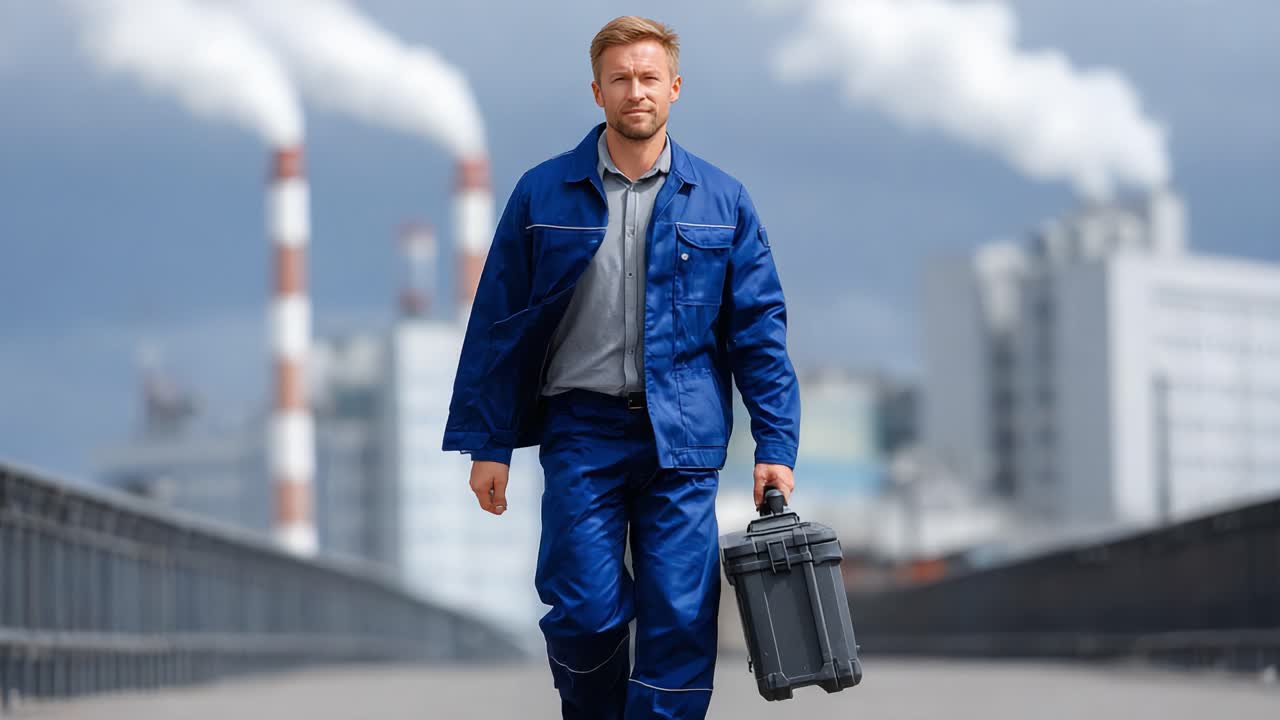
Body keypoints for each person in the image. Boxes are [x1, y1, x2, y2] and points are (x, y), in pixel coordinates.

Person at [443, 15, 800, 719]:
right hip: (581, 432)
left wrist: (775, 446)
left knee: (678, 616)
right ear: (598, 91)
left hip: (685, 439)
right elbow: (497, 326)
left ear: (674, 87)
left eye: (647, 78)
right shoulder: (542, 196)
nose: (635, 91)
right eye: (619, 80)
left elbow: (759, 332)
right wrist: (489, 446)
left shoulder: (724, 202)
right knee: (582, 612)